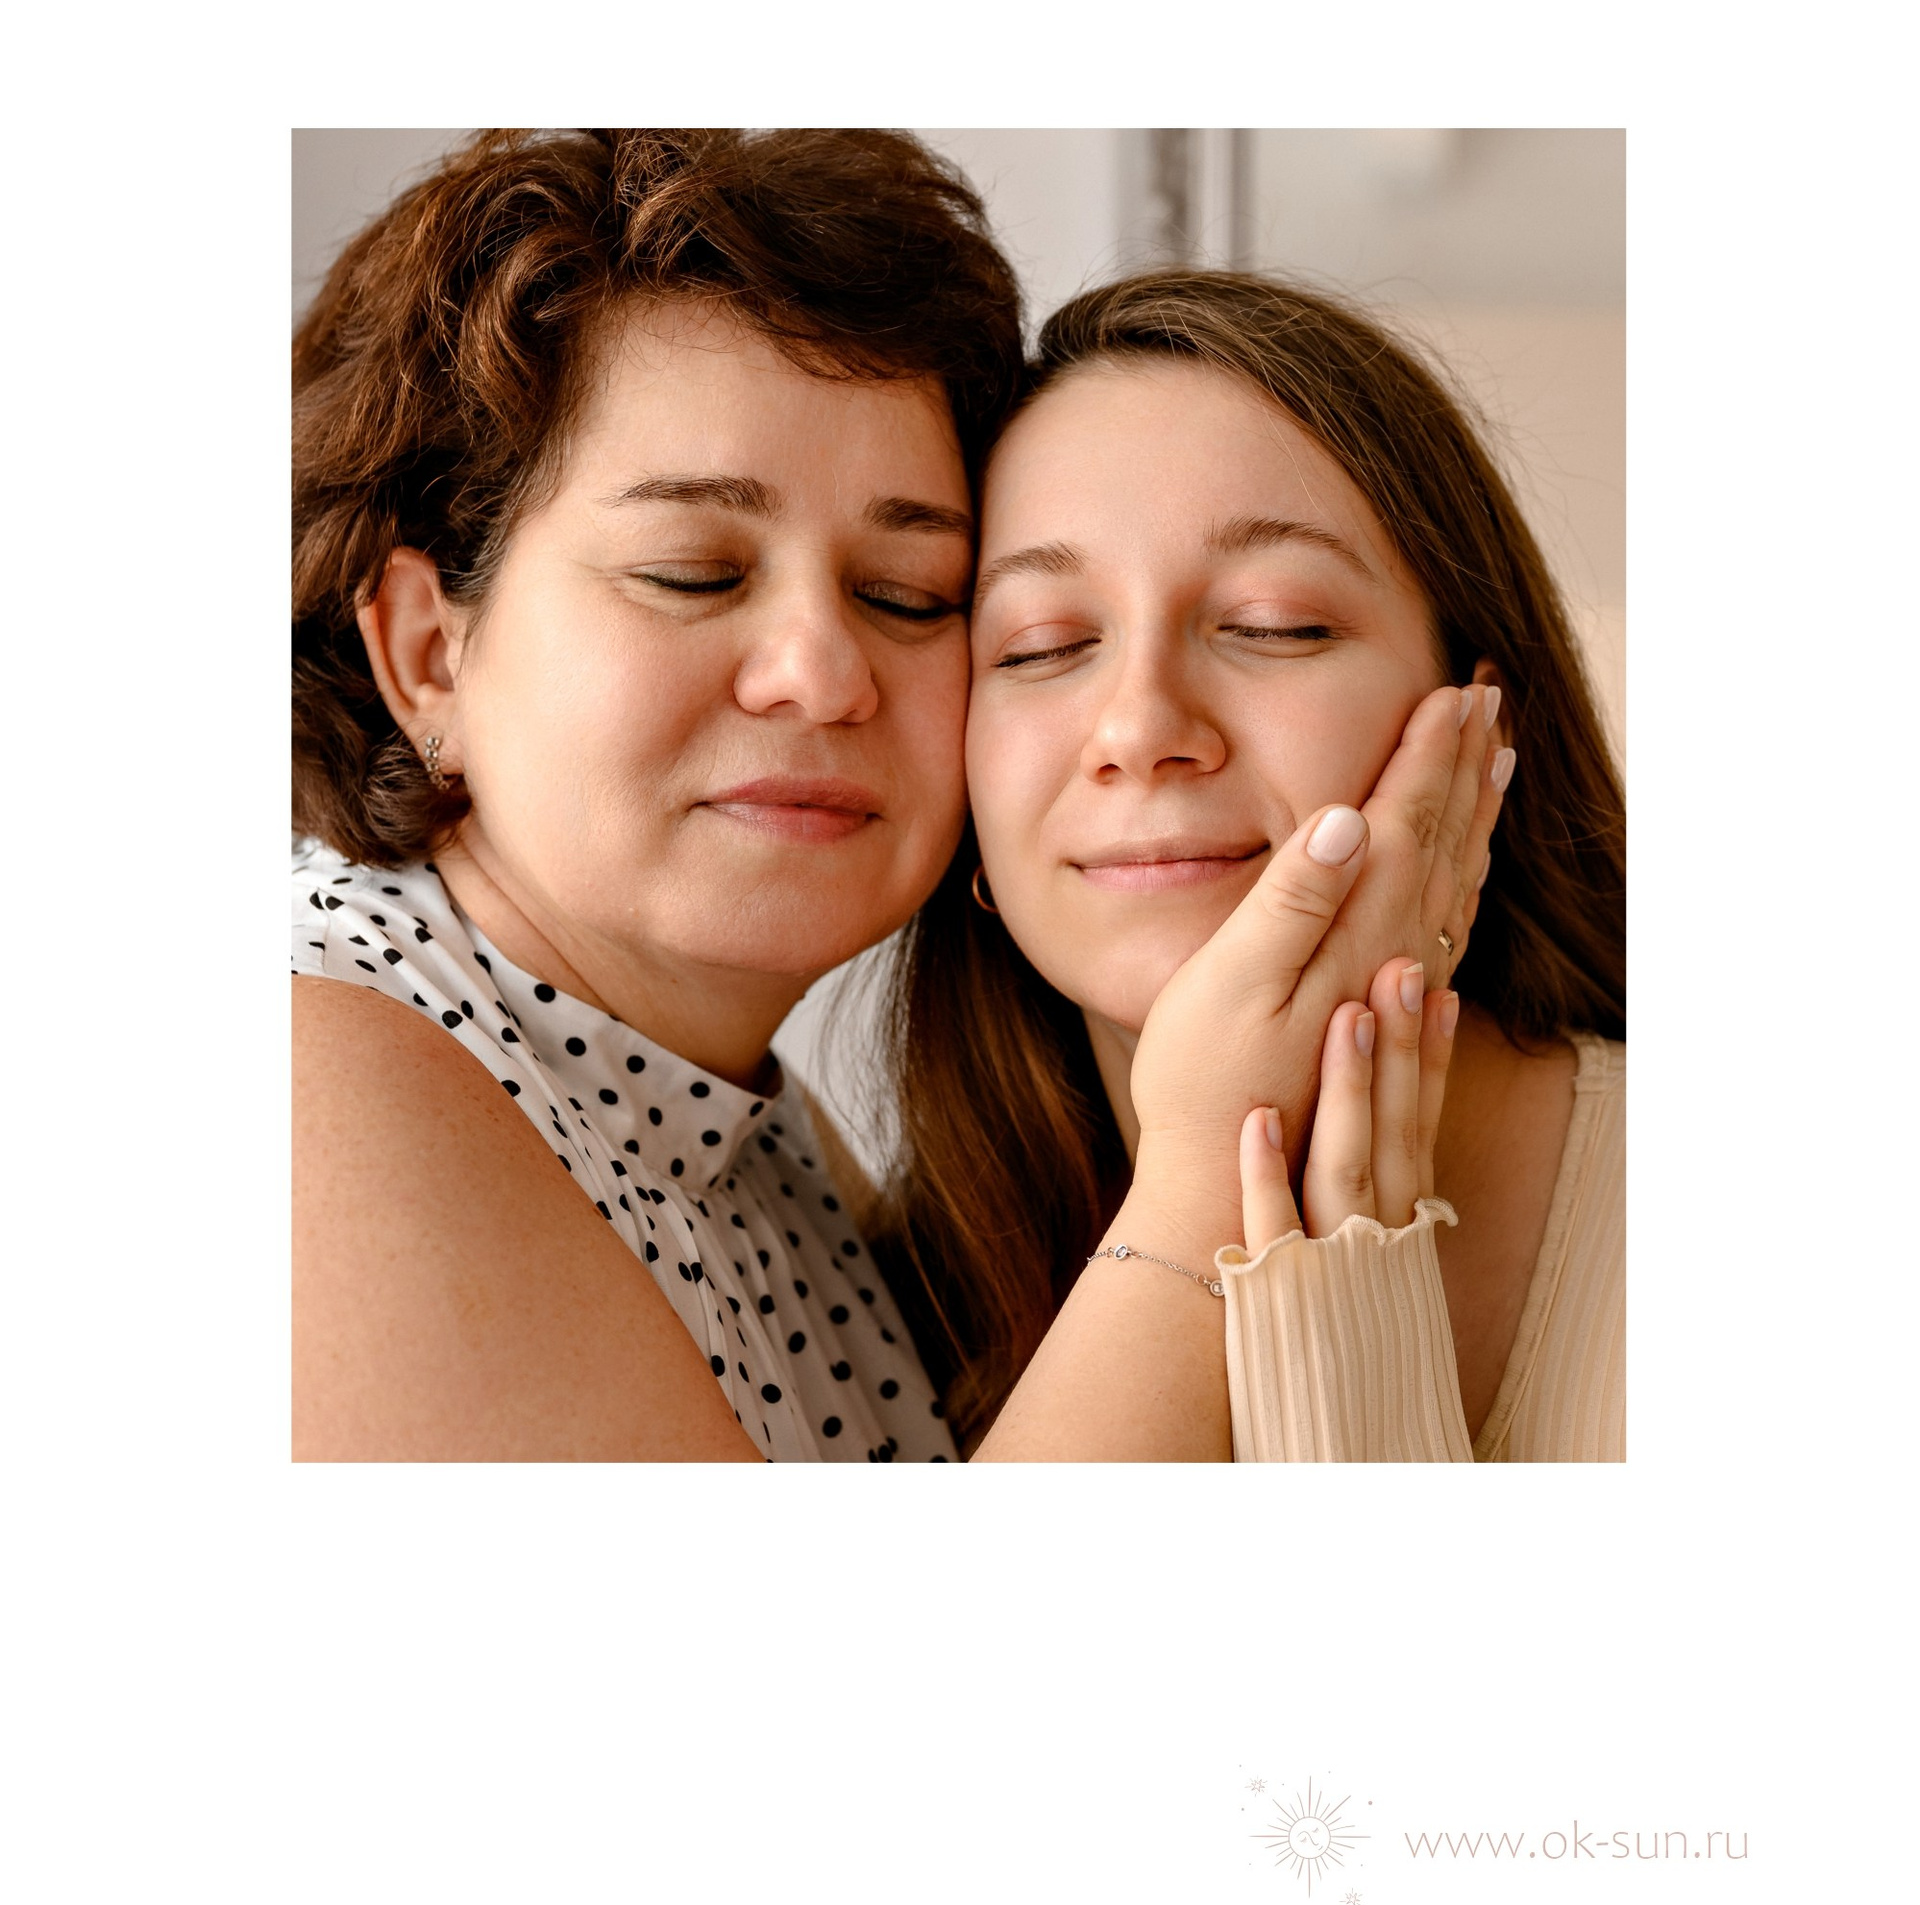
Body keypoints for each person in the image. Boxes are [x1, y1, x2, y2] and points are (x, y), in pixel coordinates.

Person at [292, 128, 1521, 1463]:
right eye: (695, 572)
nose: (824, 674)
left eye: (909, 595)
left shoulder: (763, 1149)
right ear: (429, 651)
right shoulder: (306, 1084)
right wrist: (1204, 1175)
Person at [869, 269, 1625, 1462]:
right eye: (1043, 645)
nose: (1139, 726)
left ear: (1481, 729)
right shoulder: (888, 1308)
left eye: (1276, 625)